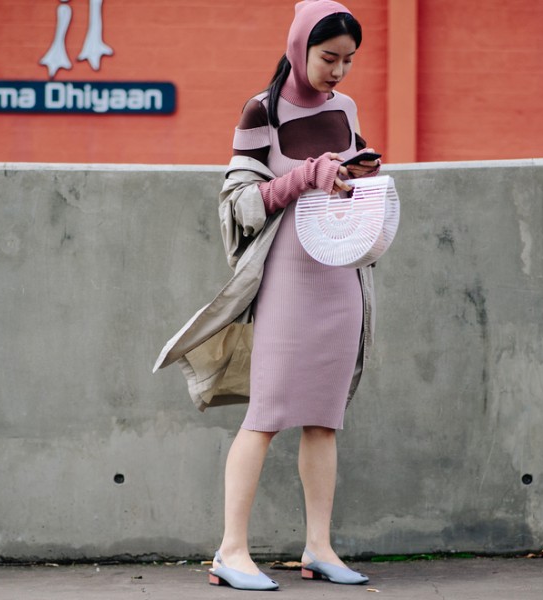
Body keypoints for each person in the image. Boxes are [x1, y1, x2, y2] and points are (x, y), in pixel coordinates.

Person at [154, 0, 380, 591]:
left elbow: (345, 180)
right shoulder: (262, 110)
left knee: (324, 418)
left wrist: (357, 174)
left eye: (349, 60)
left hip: (340, 272)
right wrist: (307, 175)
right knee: (266, 415)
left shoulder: (345, 109)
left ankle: (319, 548)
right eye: (328, 57)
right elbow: (239, 206)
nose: (338, 71)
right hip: (286, 277)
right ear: (299, 48)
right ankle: (230, 552)